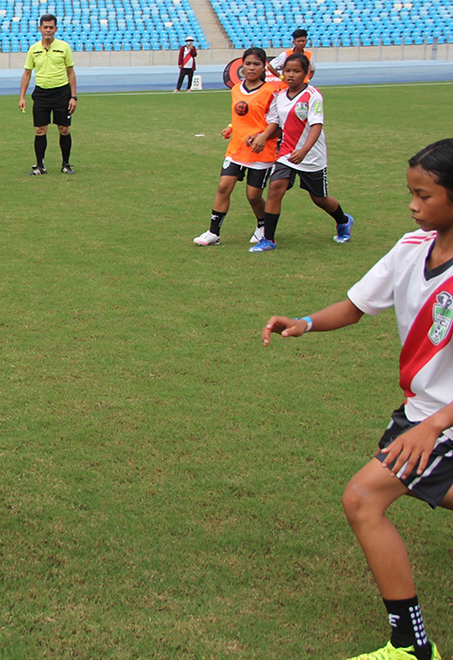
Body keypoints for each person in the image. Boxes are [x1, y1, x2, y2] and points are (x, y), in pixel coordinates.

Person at [261, 138, 452, 660]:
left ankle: (411, 647)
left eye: (425, 195)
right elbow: (356, 304)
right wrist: (304, 322)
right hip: (419, 418)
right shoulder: (412, 247)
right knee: (369, 498)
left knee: (363, 498)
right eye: (410, 193)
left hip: (438, 425)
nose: (413, 205)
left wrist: (434, 426)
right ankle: (412, 644)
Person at [246, 54, 353, 252]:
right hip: (287, 153)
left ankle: (343, 221)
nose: (291, 75)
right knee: (275, 188)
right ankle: (268, 239)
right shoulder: (280, 97)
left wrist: (304, 150)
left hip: (311, 156)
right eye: (287, 71)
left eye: (296, 71)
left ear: (306, 74)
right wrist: (260, 136)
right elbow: (277, 127)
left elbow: (316, 126)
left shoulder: (312, 95)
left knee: (319, 198)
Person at [194, 48, 278, 246]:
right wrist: (231, 126)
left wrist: (262, 136)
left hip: (261, 151)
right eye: (248, 63)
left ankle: (262, 224)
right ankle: (214, 232)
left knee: (253, 195)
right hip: (236, 149)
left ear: (263, 66)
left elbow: (274, 121)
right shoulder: (236, 89)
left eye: (256, 64)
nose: (251, 68)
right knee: (223, 187)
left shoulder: (271, 92)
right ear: (242, 65)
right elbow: (242, 116)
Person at [18, 14, 77, 175]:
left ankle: (66, 164)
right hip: (41, 94)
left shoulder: (64, 47)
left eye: (51, 27)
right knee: (40, 129)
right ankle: (40, 166)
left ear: (56, 29)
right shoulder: (34, 49)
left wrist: (73, 96)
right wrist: (22, 96)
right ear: (40, 29)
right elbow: (27, 73)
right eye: (45, 27)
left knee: (64, 128)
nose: (48, 30)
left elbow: (70, 72)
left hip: (61, 93)